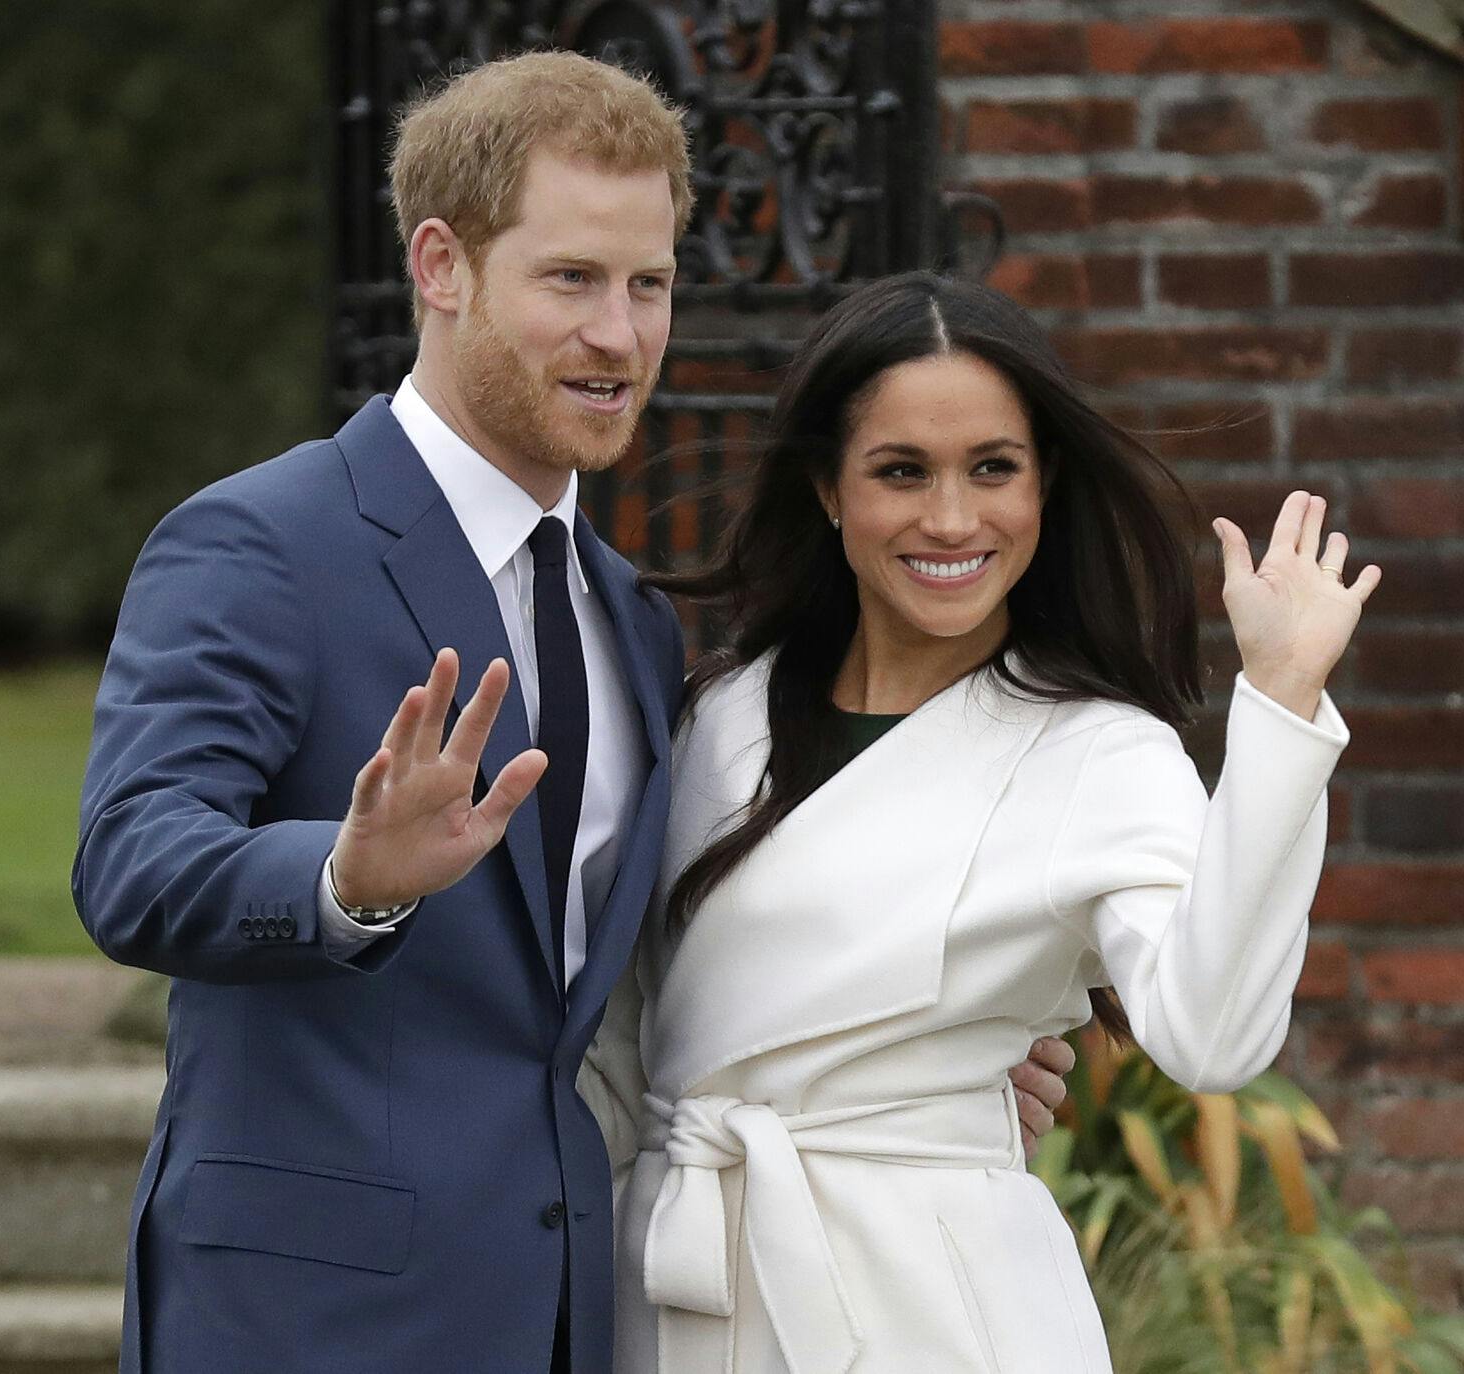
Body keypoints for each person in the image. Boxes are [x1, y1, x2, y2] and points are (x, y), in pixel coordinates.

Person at [73, 53, 1067, 1374]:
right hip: (310, 1318)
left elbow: (651, 983)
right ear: (441, 266)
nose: (621, 334)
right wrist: (345, 876)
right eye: (572, 280)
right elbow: (129, 859)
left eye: (648, 283)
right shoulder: (262, 542)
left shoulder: (630, 619)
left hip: (574, 1315)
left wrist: (912, 1061)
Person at [582, 272, 1380, 1373]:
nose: (952, 519)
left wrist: (1282, 706)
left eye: (992, 469)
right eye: (901, 471)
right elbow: (616, 1036)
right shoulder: (716, 715)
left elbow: (1214, 1036)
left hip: (936, 1312)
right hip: (675, 1289)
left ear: (1044, 484)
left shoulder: (1100, 755)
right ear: (829, 487)